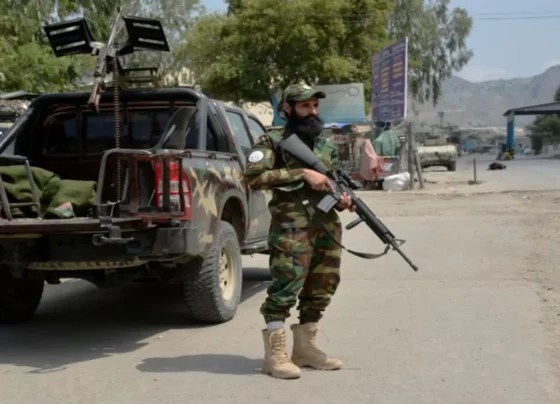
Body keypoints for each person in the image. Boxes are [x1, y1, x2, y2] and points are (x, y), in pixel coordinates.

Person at [244, 83, 355, 380]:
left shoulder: (325, 146)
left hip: (326, 226)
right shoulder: (272, 141)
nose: (313, 111)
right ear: (288, 109)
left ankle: (305, 350)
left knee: (322, 286)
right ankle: (275, 356)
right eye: (305, 106)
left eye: (315, 106)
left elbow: (332, 186)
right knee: (286, 285)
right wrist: (302, 173)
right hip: (292, 226)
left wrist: (343, 199)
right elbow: (254, 177)